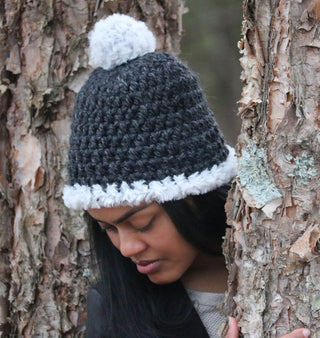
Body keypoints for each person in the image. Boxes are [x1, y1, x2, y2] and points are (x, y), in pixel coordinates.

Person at [63, 14, 310, 338]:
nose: (126, 248)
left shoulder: (300, 260)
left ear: (194, 195)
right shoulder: (115, 316)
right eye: (108, 228)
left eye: (141, 223)